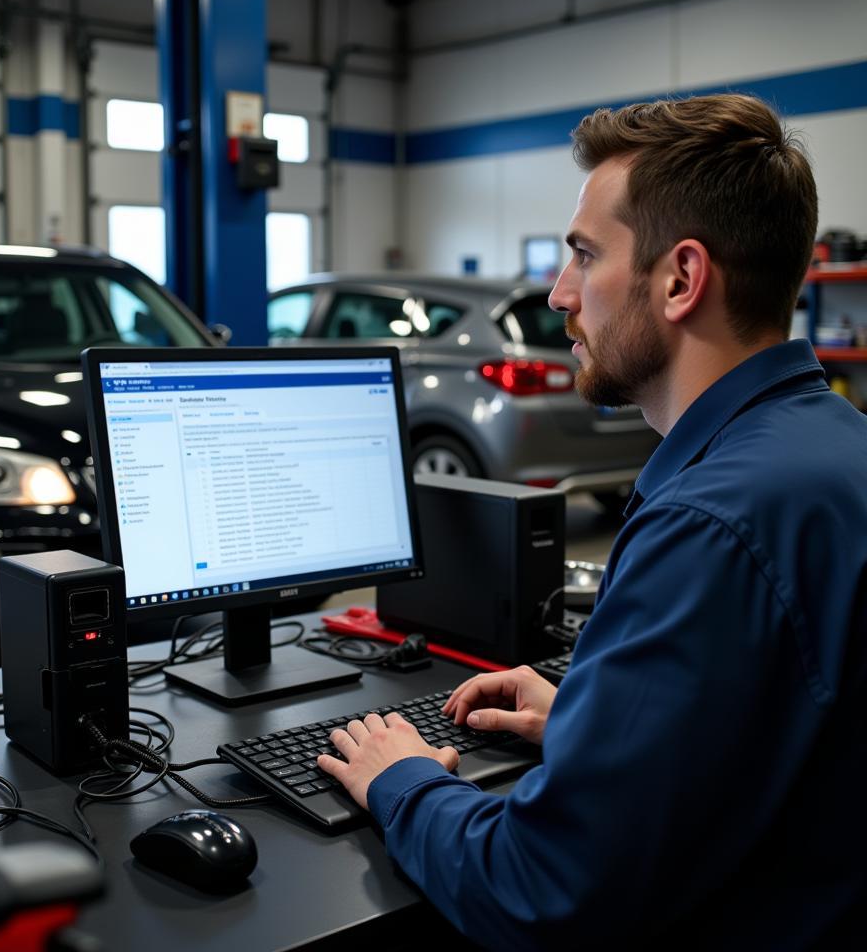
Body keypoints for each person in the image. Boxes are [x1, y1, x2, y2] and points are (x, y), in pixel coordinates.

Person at [317, 93, 867, 949]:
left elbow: (544, 890)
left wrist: (406, 782)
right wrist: (590, 716)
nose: (558, 293)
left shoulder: (709, 524)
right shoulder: (836, 447)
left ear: (681, 278)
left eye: (583, 254)